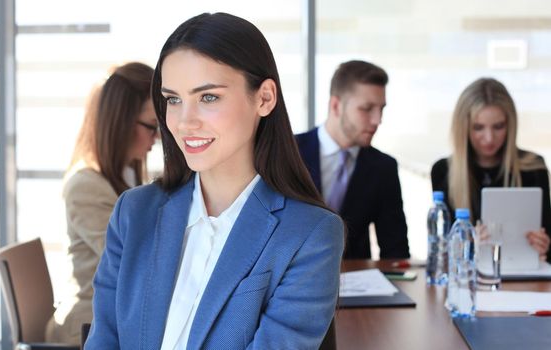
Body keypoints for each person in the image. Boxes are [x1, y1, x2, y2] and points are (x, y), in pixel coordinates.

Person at [84, 12, 344, 349]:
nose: (184, 122)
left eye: (208, 97)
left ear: (264, 98)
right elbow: (104, 339)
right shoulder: (133, 214)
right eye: (173, 99)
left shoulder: (308, 235)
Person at [45, 62, 159, 344]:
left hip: (113, 315)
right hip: (87, 325)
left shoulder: (127, 173)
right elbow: (132, 263)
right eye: (151, 126)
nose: (156, 138)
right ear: (121, 122)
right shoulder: (86, 185)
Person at [296, 60, 409, 259]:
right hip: (290, 281)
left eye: (381, 109)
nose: (377, 120)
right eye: (367, 109)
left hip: (356, 281)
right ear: (336, 106)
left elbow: (395, 251)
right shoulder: (289, 153)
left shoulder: (384, 168)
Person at [431, 77, 551, 262]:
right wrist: (467, 245)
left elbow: (547, 234)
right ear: (464, 128)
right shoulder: (444, 171)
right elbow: (441, 250)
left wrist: (544, 246)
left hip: (524, 270)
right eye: (478, 128)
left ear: (510, 125)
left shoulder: (534, 167)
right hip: (470, 276)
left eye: (498, 127)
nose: (489, 138)